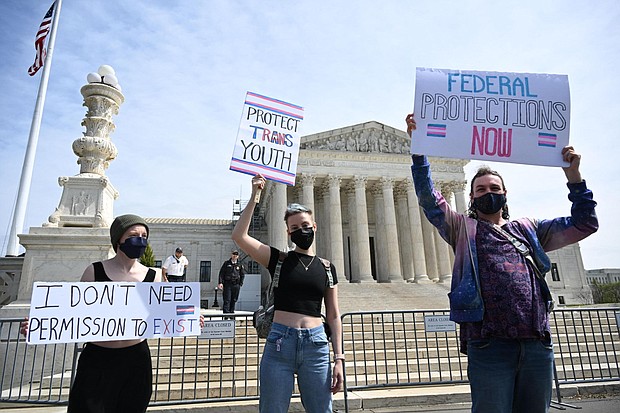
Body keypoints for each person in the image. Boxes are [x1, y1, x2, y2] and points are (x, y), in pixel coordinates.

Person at [405, 114, 598, 413]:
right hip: (489, 345)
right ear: (471, 197)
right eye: (481, 190)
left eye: (494, 189)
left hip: (535, 343)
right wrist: (419, 150)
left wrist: (574, 176)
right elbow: (430, 200)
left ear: (505, 194)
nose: (489, 194)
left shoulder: (528, 228)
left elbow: (585, 224)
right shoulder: (462, 230)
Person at [20, 214, 186, 413]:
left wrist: (189, 317)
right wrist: (39, 324)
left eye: (144, 235)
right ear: (118, 239)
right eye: (134, 235)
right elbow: (71, 314)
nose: (140, 240)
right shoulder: (94, 271)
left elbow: (166, 313)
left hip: (136, 360)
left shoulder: (155, 276)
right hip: (98, 360)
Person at [232, 174, 344, 413]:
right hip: (280, 343)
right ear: (288, 233)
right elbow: (239, 237)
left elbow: (334, 315)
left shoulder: (326, 267)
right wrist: (255, 196)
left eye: (305, 226)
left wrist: (339, 359)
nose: (301, 231)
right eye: (294, 228)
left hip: (316, 345)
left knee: (322, 410)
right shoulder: (279, 260)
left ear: (314, 227)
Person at [218, 249, 246, 315]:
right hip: (228, 284)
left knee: (234, 299)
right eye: (233, 254)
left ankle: (231, 314)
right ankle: (226, 315)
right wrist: (220, 282)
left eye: (236, 255)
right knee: (227, 300)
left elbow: (242, 274)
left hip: (236, 284)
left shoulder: (239, 265)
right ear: (231, 255)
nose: (234, 256)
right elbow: (221, 273)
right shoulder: (226, 263)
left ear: (238, 256)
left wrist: (240, 283)